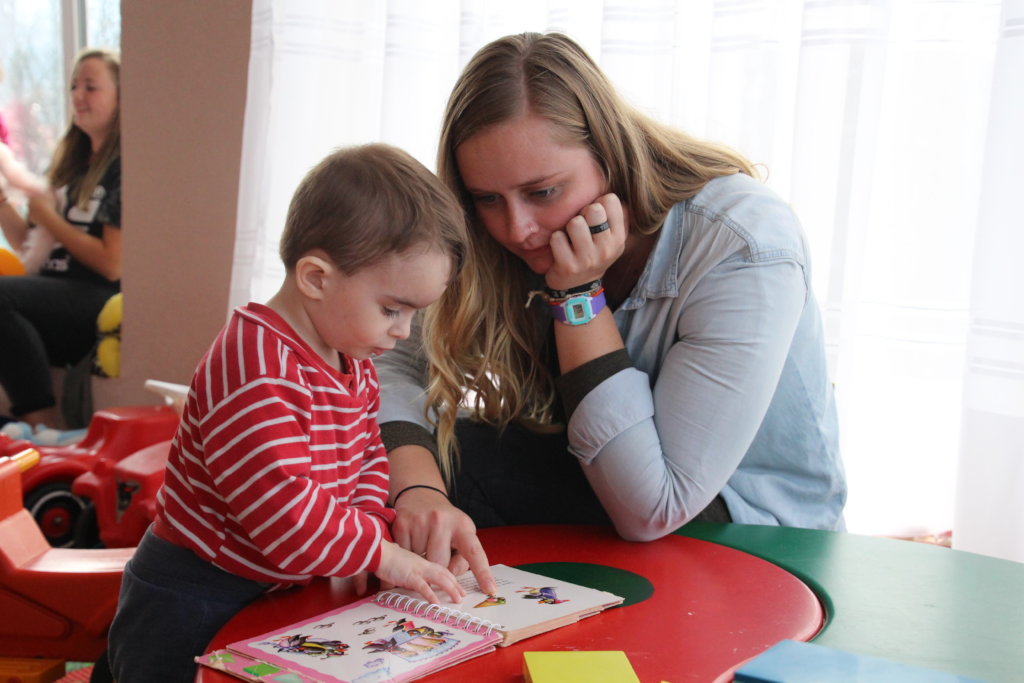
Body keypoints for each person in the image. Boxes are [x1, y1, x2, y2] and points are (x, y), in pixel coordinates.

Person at [375, 32, 847, 566]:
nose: (518, 228)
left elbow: (653, 505)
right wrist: (419, 490)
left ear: (610, 152)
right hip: (596, 478)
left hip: (749, 529)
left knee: (459, 469)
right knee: (376, 468)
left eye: (543, 191)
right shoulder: (498, 234)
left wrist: (577, 297)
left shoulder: (743, 242)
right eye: (487, 199)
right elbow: (389, 360)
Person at [107, 144, 493, 682]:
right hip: (192, 595)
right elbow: (282, 510)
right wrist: (380, 555)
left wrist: (369, 530)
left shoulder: (350, 357)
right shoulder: (253, 363)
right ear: (315, 277)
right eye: (391, 309)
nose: (404, 332)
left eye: (413, 314)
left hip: (271, 585)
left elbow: (366, 459)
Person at [0, 48, 121, 432]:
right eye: (72, 86)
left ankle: (42, 427)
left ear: (121, 95)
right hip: (53, 292)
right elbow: (28, 247)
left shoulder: (124, 168)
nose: (77, 96)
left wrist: (50, 216)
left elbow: (111, 263)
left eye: (91, 87)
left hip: (94, 295)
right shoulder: (69, 164)